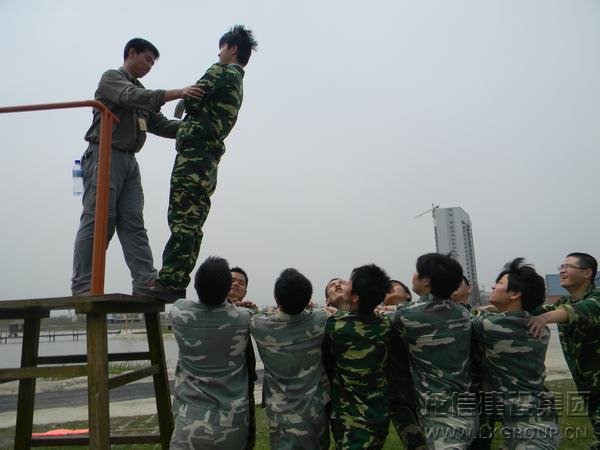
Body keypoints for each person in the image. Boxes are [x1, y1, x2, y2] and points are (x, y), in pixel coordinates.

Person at [71, 38, 203, 296]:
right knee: (99, 220)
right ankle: (84, 286)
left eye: (153, 63)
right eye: (147, 60)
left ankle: (145, 281)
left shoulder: (143, 92)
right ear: (131, 53)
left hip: (130, 162)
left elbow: (162, 125)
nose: (149, 66)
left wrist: (198, 129)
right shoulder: (112, 79)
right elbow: (130, 97)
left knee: (134, 222)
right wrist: (178, 92)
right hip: (104, 154)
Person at [144, 25, 257, 301]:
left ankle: (169, 281)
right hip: (206, 159)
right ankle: (176, 281)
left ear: (232, 49)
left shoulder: (222, 70)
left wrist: (183, 102)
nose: (218, 53)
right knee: (192, 220)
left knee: (182, 218)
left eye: (221, 48)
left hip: (194, 156)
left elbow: (193, 95)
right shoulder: (238, 81)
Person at [473, 258, 559, 449]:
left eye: (500, 283)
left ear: (515, 293)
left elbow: (464, 320)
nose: (494, 286)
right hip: (539, 416)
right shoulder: (540, 328)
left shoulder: (489, 325)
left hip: (527, 427)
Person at [392, 253, 475, 449]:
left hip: (440, 412)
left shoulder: (406, 315)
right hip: (465, 404)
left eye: (417, 272)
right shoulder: (462, 313)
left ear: (426, 281)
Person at [169, 256, 252, 449]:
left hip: (189, 419)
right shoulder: (243, 318)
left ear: (196, 286)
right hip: (232, 423)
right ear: (227, 291)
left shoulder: (179, 312)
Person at [251, 268, 331, 449]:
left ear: (276, 298)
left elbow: (252, 315)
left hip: (281, 413)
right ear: (308, 298)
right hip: (315, 409)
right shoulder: (321, 320)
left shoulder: (259, 325)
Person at [529, 252, 600, 449]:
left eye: (568, 266)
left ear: (587, 273)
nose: (562, 270)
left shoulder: (596, 298)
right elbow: (532, 312)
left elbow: (582, 310)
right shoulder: (563, 303)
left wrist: (545, 318)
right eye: (561, 266)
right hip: (589, 388)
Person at [324, 264, 391, 449]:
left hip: (351, 419)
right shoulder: (386, 324)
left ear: (355, 297)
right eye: (332, 285)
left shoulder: (333, 326)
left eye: (346, 283)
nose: (339, 285)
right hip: (379, 411)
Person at [226, 266, 257, 450]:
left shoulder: (248, 313)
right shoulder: (209, 309)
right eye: (231, 281)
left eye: (241, 283)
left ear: (245, 291)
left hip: (245, 385)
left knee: (247, 437)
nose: (236, 284)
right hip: (220, 386)